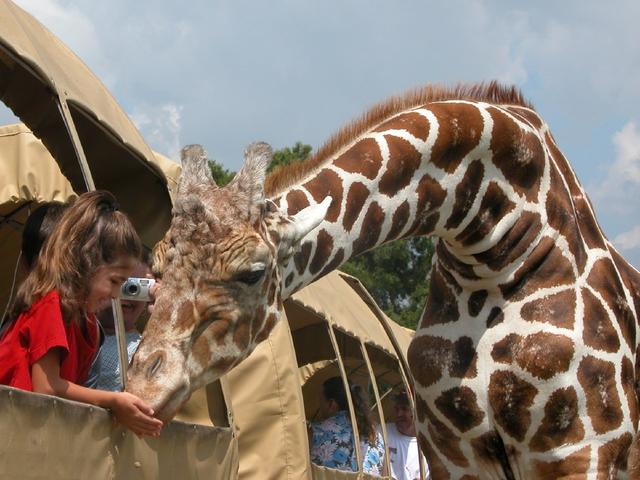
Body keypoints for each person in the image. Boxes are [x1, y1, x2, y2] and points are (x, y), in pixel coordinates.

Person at [0, 191, 163, 437]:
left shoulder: (86, 324)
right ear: (86, 264)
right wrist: (113, 401)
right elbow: (46, 388)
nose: (117, 294)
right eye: (115, 281)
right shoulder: (50, 304)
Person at [86, 249, 153, 391]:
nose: (130, 293)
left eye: (139, 287)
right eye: (122, 283)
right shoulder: (75, 329)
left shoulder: (145, 351)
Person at [309, 376, 385, 474]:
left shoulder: (315, 431)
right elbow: (385, 475)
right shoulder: (375, 436)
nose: (320, 407)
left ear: (331, 404)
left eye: (321, 401)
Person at [384, 391, 428, 480]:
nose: (399, 414)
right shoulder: (382, 432)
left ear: (416, 412)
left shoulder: (426, 445)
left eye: (404, 409)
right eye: (397, 409)